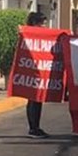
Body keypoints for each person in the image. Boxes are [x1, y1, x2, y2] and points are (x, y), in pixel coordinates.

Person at [23, 9, 54, 138]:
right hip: (31, 71)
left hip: (40, 70)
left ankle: (36, 127)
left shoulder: (41, 36)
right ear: (35, 23)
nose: (44, 26)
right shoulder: (26, 35)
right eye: (42, 23)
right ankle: (33, 128)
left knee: (37, 99)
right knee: (33, 99)